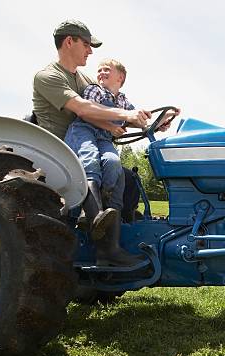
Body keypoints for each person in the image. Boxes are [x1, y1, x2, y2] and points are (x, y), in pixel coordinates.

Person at [32, 20, 160, 266]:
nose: (90, 51)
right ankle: (96, 226)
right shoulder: (48, 76)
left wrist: (143, 121)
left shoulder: (83, 78)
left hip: (89, 139)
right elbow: (83, 108)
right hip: (62, 148)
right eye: (87, 45)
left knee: (127, 179)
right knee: (90, 163)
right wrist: (125, 117)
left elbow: (110, 109)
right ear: (69, 42)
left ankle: (116, 242)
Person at [65, 58, 175, 266]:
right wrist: (109, 126)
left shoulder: (123, 100)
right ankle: (90, 213)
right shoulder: (94, 90)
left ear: (120, 77)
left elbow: (138, 120)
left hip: (104, 138)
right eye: (99, 70)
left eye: (107, 69)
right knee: (90, 160)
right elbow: (87, 113)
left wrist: (162, 120)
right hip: (84, 131)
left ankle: (110, 228)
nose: (101, 73)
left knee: (114, 163)